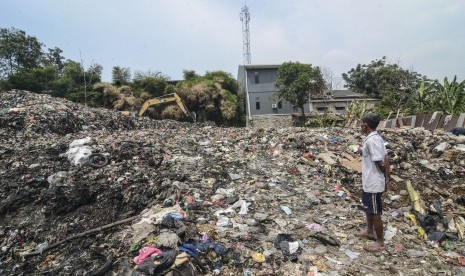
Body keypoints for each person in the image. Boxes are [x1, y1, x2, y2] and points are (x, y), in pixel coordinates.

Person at [356, 113, 389, 252]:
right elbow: (383, 157)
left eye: (361, 123)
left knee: (375, 212)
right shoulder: (373, 139)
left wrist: (385, 178)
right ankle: (369, 231)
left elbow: (381, 162)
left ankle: (380, 241)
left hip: (374, 182)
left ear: (366, 125)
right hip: (368, 182)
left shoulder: (372, 140)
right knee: (368, 208)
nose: (360, 126)